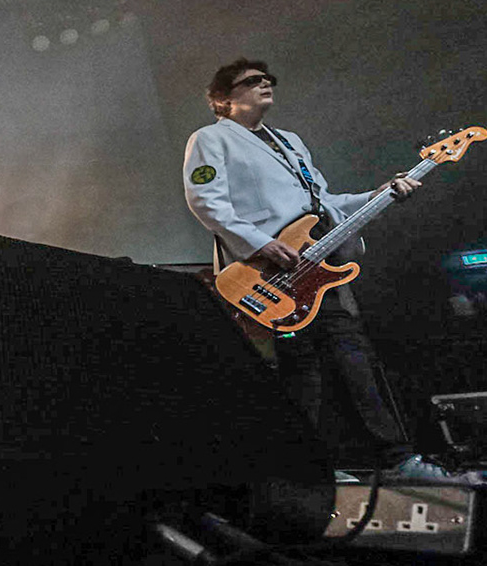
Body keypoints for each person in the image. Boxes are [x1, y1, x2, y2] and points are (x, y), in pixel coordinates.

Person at [182, 58, 447, 480]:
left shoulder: (288, 141)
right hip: (269, 274)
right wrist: (261, 243)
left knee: (354, 359)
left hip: (320, 270)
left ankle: (398, 460)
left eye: (268, 80)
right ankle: (312, 468)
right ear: (223, 99)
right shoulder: (211, 139)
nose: (264, 84)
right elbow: (206, 201)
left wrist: (377, 195)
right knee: (300, 371)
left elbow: (323, 204)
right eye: (252, 81)